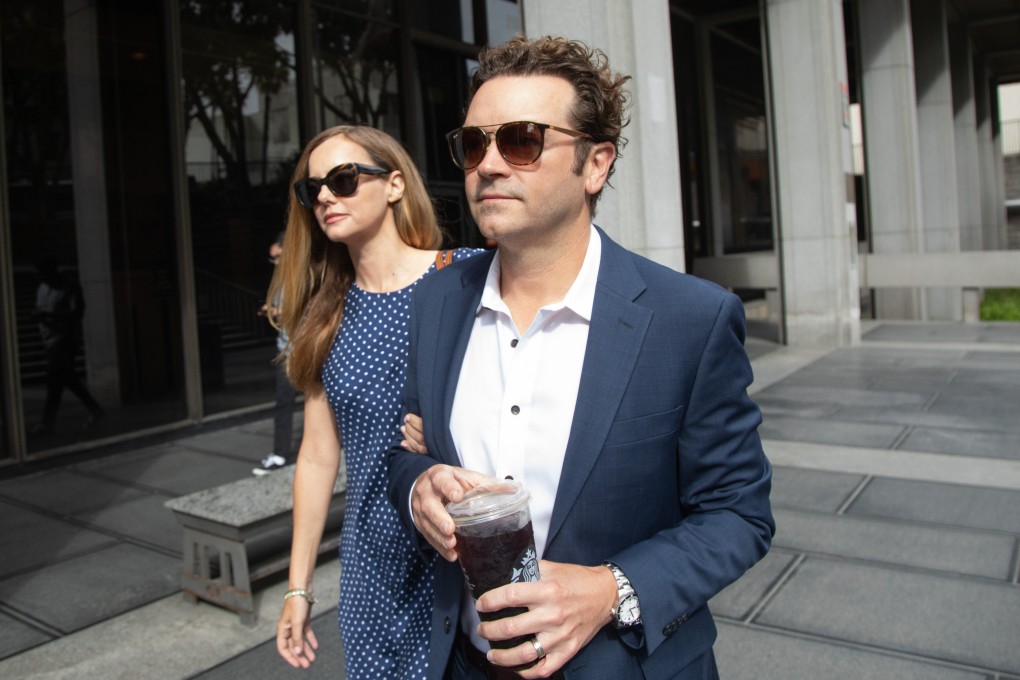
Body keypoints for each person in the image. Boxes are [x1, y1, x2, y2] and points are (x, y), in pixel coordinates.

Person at [387, 35, 774, 680]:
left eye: (522, 141)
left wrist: (608, 590)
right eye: (474, 144)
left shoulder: (689, 319)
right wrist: (419, 486)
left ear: (595, 164)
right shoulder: (436, 301)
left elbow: (739, 514)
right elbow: (408, 453)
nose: (489, 164)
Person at [269, 124, 480, 679]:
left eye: (342, 179)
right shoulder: (325, 314)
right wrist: (298, 588)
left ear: (393, 184)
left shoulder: (464, 276)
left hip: (457, 557)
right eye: (311, 188)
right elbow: (318, 457)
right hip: (372, 573)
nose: (324, 196)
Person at [31, 255, 104, 434]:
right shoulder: (42, 288)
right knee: (67, 379)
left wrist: (47, 315)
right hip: (49, 339)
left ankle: (47, 423)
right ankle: (95, 409)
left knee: (54, 379)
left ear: (52, 271)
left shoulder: (70, 286)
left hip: (65, 339)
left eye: (42, 273)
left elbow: (77, 313)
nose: (39, 277)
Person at [254, 232, 298, 476]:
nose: (275, 262)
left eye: (278, 256)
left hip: (305, 351)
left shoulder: (300, 275)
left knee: (324, 406)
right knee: (283, 404)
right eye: (272, 258)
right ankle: (280, 454)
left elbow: (303, 307)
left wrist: (275, 311)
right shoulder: (280, 278)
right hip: (286, 350)